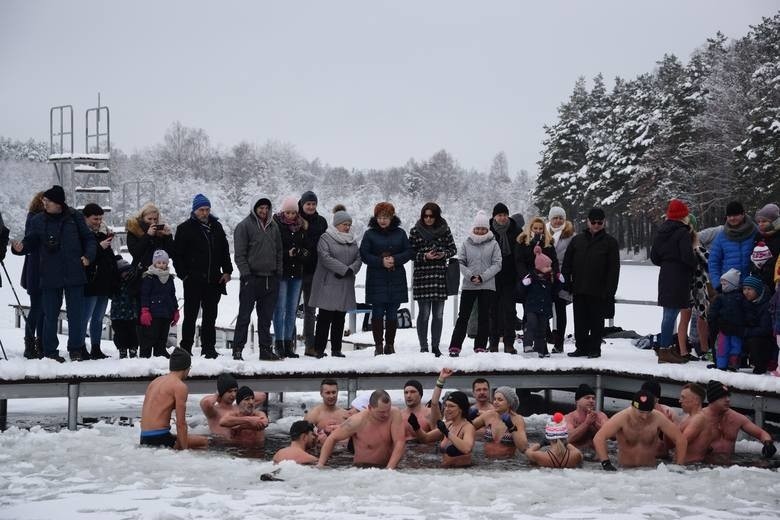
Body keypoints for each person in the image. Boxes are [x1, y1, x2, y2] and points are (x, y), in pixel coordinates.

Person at [12, 185, 96, 362]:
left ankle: (75, 349)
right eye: (43, 200)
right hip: (50, 274)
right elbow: (31, 242)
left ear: (58, 203)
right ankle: (50, 351)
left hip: (74, 273)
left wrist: (88, 256)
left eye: (47, 201)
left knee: (76, 315)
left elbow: (89, 239)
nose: (44, 203)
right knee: (50, 314)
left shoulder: (75, 217)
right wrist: (20, 249)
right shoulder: (38, 220)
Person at [173, 194, 232, 358]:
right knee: (190, 316)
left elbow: (224, 251)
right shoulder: (185, 228)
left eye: (207, 210)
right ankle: (186, 348)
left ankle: (209, 348)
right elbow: (177, 255)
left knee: (210, 316)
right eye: (201, 210)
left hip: (213, 279)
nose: (204, 213)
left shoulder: (216, 227)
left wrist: (227, 270)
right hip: (193, 279)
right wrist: (184, 275)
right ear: (194, 210)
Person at [562, 207, 620, 359]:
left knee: (596, 323)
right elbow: (566, 264)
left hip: (598, 291)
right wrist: (566, 282)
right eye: (593, 222)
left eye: (599, 222)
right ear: (587, 222)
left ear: (604, 223)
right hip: (579, 288)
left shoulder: (610, 243)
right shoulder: (576, 240)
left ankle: (595, 348)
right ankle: (580, 347)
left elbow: (614, 270)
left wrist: (609, 292)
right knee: (579, 321)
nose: (596, 225)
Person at [232, 197, 283, 361]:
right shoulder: (244, 226)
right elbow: (240, 255)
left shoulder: (273, 226)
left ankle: (265, 349)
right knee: (244, 316)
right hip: (251, 278)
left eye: (266, 208)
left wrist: (278, 273)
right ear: (254, 208)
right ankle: (238, 349)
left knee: (266, 318)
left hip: (271, 278)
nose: (264, 211)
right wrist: (246, 275)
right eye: (260, 208)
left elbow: (279, 251)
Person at [360, 202, 413, 356]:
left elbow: (409, 251)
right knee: (377, 312)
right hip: (376, 279)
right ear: (375, 218)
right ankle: (378, 345)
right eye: (380, 217)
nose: (383, 220)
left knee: (392, 313)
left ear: (392, 218)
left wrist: (395, 259)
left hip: (395, 278)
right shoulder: (369, 234)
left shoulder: (400, 233)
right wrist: (380, 261)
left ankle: (390, 345)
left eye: (386, 217)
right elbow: (364, 254)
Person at [309, 205, 362, 358]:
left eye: (349, 225)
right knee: (325, 318)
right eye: (345, 224)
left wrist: (351, 269)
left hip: (345, 284)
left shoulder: (352, 240)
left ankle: (336, 349)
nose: (347, 227)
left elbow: (358, 258)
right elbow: (325, 257)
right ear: (337, 224)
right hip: (329, 283)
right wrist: (343, 270)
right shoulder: (326, 238)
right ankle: (319, 349)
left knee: (340, 318)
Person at [447, 210, 502, 357]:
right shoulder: (466, 243)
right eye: (478, 228)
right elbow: (461, 262)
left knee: (484, 316)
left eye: (483, 228)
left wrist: (483, 277)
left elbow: (497, 264)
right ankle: (455, 346)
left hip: (487, 285)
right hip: (469, 285)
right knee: (463, 316)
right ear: (474, 228)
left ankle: (480, 346)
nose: (480, 231)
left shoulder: (494, 244)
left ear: (487, 229)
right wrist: (471, 276)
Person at [685, 380, 776, 464]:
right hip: (705, 466)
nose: (728, 399)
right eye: (723, 397)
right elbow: (680, 441)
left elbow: (761, 433)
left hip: (731, 466)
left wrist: (768, 443)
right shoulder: (698, 419)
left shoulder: (736, 418)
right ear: (712, 399)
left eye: (728, 396)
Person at [650, 199, 697, 362]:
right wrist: (694, 263)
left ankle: (667, 348)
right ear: (683, 216)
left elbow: (654, 257)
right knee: (672, 313)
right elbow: (687, 256)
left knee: (667, 313)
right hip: (679, 275)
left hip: (665, 274)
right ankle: (665, 350)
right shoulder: (683, 232)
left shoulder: (661, 231)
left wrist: (666, 262)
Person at [594, 389, 687, 469]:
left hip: (649, 471)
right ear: (632, 406)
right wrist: (606, 464)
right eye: (641, 412)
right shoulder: (622, 418)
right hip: (624, 471)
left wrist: (679, 466)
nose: (645, 416)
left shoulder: (658, 417)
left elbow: (680, 440)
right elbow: (599, 438)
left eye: (648, 412)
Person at [408, 202, 457, 356]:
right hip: (422, 277)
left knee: (439, 314)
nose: (428, 219)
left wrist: (443, 254)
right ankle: (423, 346)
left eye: (431, 216)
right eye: (426, 216)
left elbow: (453, 249)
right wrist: (425, 256)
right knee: (424, 314)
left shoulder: (445, 230)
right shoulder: (415, 231)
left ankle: (435, 346)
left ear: (436, 216)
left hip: (439, 276)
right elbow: (410, 253)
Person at [317, 389, 406, 469]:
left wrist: (389, 469)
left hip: (387, 467)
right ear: (370, 408)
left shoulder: (394, 414)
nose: (386, 415)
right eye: (381, 412)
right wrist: (320, 464)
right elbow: (333, 438)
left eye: (388, 410)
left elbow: (400, 442)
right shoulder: (357, 420)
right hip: (363, 469)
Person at [139, 347, 208, 449]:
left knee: (184, 438)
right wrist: (184, 452)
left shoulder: (155, 381)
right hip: (159, 438)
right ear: (187, 368)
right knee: (203, 442)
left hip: (144, 437)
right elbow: (181, 424)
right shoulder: (179, 386)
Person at [408, 369, 476, 467]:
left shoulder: (468, 427)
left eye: (451, 406)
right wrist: (416, 426)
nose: (447, 409)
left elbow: (466, 448)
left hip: (462, 475)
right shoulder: (448, 425)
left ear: (461, 409)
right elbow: (425, 438)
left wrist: (447, 433)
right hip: (445, 470)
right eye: (446, 405)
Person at [272, 195, 311, 358]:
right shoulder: (276, 226)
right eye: (287, 212)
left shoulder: (302, 227)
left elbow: (308, 250)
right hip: (282, 272)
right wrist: (287, 254)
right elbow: (274, 249)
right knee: (279, 309)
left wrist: (301, 253)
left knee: (291, 310)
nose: (290, 216)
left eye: (293, 213)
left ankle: (288, 344)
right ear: (283, 212)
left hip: (297, 273)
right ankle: (279, 343)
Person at [516, 216, 560, 355]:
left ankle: (541, 346)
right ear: (530, 228)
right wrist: (527, 276)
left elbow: (553, 261)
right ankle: (528, 342)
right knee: (530, 316)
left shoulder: (548, 243)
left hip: (545, 282)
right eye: (535, 228)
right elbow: (519, 261)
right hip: (529, 282)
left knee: (543, 317)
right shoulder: (523, 243)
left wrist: (556, 274)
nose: (538, 231)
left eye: (540, 228)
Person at [79, 203, 116, 360]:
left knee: (98, 318)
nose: (98, 222)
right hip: (90, 281)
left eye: (100, 219)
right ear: (85, 218)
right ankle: (79, 346)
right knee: (85, 317)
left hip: (103, 281)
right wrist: (100, 247)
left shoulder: (102, 234)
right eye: (95, 219)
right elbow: (86, 258)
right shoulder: (80, 235)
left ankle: (96, 347)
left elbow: (108, 258)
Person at [298, 191, 328, 357]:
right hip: (295, 271)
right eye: (308, 204)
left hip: (314, 271)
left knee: (310, 311)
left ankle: (310, 345)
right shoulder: (294, 219)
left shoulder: (321, 221)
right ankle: (288, 344)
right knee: (291, 309)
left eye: (313, 204)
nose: (310, 207)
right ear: (302, 204)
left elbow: (322, 244)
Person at [488, 203, 521, 354]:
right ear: (494, 216)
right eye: (499, 215)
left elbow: (521, 253)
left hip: (510, 276)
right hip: (492, 277)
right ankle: (493, 342)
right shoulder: (488, 231)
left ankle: (509, 342)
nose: (502, 218)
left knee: (510, 311)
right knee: (493, 311)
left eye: (504, 215)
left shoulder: (516, 230)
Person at [16, 192, 45, 359]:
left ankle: (40, 342)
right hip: (35, 269)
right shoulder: (34, 218)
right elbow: (30, 241)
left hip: (45, 269)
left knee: (45, 310)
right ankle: (30, 342)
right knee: (36, 308)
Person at [519, 245, 558, 357]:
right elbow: (520, 290)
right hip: (532, 307)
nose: (550, 268)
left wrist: (560, 282)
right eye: (547, 266)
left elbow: (554, 291)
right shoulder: (531, 277)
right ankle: (528, 345)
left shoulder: (549, 279)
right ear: (540, 267)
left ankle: (540, 349)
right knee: (531, 324)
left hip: (544, 308)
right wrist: (524, 284)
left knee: (542, 329)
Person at [708, 201, 757, 289]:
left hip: (752, 286)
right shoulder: (722, 236)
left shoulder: (755, 232)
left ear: (743, 214)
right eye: (729, 216)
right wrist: (717, 283)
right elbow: (713, 261)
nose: (732, 218)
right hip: (729, 287)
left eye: (735, 215)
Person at [138, 250, 179, 358]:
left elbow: (172, 295)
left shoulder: (170, 278)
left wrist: (175, 310)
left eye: (164, 263)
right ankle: (145, 355)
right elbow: (145, 295)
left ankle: (160, 352)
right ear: (154, 263)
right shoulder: (149, 277)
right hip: (153, 312)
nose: (161, 265)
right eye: (159, 263)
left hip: (166, 312)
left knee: (162, 335)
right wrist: (145, 310)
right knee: (150, 335)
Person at [547, 205, 575, 353]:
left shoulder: (570, 235)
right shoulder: (543, 232)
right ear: (550, 219)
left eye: (560, 218)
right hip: (545, 276)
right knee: (541, 308)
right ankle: (544, 339)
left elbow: (573, 259)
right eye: (555, 218)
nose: (558, 221)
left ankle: (559, 343)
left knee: (560, 310)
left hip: (562, 276)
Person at [470, 386, 528, 457]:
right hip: (486, 462)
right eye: (495, 399)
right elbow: (467, 428)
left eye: (500, 400)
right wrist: (467, 417)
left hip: (507, 464)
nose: (495, 402)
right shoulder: (488, 415)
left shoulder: (517, 419)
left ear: (509, 403)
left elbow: (523, 448)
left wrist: (511, 427)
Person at [708, 268, 747, 370]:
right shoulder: (720, 297)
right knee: (722, 347)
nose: (723, 286)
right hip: (723, 328)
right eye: (722, 284)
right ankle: (721, 365)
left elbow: (746, 311)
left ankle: (733, 364)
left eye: (725, 284)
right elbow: (713, 311)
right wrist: (712, 321)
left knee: (736, 347)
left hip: (737, 329)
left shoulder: (741, 297)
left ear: (733, 284)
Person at [125, 202, 175, 281]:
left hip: (159, 274)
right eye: (149, 219)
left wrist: (168, 236)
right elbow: (135, 253)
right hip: (140, 274)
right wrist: (148, 236)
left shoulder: (160, 232)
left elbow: (170, 254)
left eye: (155, 219)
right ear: (142, 218)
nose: (152, 222)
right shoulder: (134, 230)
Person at [742, 275, 777, 374]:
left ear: (757, 290)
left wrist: (745, 332)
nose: (746, 292)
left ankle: (760, 366)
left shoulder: (766, 305)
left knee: (755, 341)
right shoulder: (746, 302)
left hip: (766, 340)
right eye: (744, 289)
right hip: (750, 334)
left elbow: (765, 329)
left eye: (749, 289)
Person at [111, 256, 139, 358]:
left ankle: (133, 349)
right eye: (123, 272)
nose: (125, 274)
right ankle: (122, 349)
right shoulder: (115, 283)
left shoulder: (133, 282)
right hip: (117, 315)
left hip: (131, 314)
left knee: (132, 332)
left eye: (127, 271)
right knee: (119, 334)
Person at [565, 383, 608, 450]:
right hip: (577, 453)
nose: (591, 401)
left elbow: (610, 435)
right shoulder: (570, 417)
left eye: (593, 398)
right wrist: (586, 423)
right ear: (577, 401)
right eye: (587, 398)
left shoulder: (600, 416)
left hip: (596, 454)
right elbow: (568, 438)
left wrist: (595, 424)